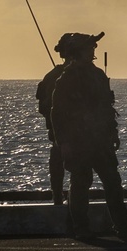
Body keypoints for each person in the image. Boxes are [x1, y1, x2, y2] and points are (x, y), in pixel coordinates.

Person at [48, 31, 127, 243]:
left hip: (100, 140)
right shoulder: (66, 80)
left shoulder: (97, 75)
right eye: (88, 48)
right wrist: (64, 143)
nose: (92, 51)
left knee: (113, 182)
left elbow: (107, 107)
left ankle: (123, 226)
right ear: (77, 52)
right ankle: (81, 227)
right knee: (80, 184)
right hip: (78, 142)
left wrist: (112, 132)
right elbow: (57, 114)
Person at [35, 36, 78, 206]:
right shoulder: (55, 77)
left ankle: (63, 200)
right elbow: (44, 107)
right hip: (64, 130)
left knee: (75, 170)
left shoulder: (54, 76)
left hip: (75, 130)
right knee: (65, 165)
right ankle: (60, 199)